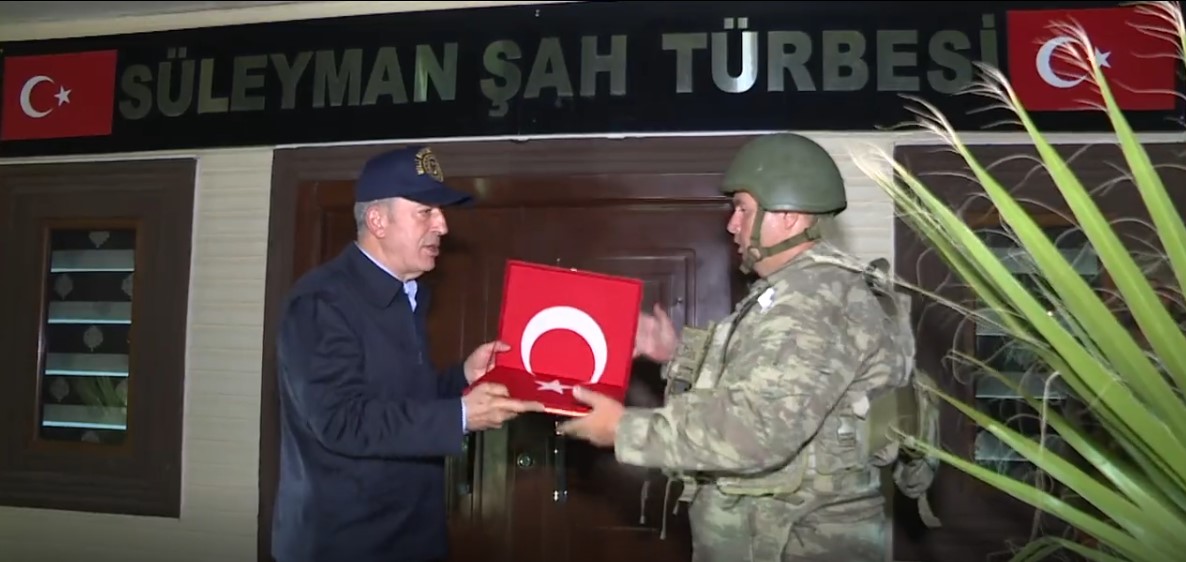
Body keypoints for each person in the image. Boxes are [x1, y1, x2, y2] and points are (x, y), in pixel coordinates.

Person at [558, 133, 939, 561]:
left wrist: (622, 429)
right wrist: (674, 352)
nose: (732, 224)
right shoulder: (806, 289)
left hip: (797, 544)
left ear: (789, 217)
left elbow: (757, 431)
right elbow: (767, 384)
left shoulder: (811, 302)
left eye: (742, 208)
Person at [272, 145, 544, 562]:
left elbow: (398, 399)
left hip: (411, 537)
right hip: (347, 545)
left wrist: (462, 378)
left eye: (441, 212)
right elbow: (341, 419)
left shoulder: (406, 295)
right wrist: (460, 416)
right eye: (426, 212)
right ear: (377, 221)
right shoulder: (322, 302)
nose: (443, 226)